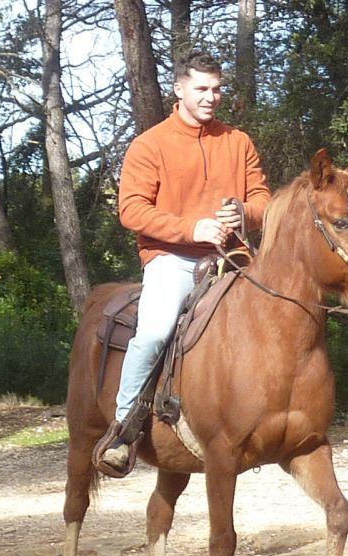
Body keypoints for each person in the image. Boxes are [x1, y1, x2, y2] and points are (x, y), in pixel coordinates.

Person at [94, 52, 272, 476]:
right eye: (202, 89)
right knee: (154, 331)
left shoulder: (238, 141)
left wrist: (243, 213)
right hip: (172, 260)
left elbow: (264, 201)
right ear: (179, 89)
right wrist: (191, 230)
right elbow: (132, 210)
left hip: (233, 259)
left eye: (217, 89)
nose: (212, 97)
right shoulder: (149, 144)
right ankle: (123, 428)